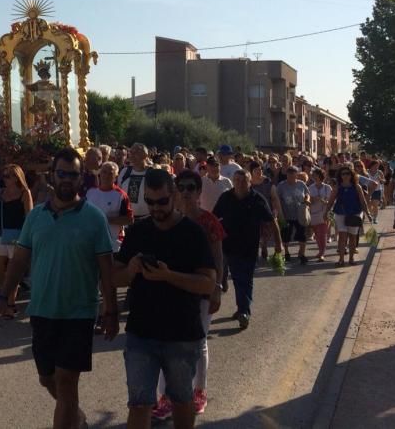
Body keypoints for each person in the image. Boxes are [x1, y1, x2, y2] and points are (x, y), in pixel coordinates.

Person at [0, 148, 119, 429]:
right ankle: (76, 416)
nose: (66, 180)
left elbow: (106, 269)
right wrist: (4, 296)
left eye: (73, 175)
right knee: (47, 378)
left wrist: (110, 310)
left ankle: (69, 414)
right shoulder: (36, 216)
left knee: (66, 381)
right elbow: (19, 261)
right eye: (61, 173)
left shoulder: (94, 218)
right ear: (52, 176)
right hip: (42, 310)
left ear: (81, 178)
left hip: (79, 312)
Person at [113, 169, 217, 429]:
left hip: (182, 335)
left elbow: (207, 282)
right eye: (149, 202)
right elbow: (114, 278)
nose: (156, 208)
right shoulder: (138, 233)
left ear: (173, 196)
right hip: (141, 334)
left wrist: (168, 276)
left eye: (161, 201)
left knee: (182, 401)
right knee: (139, 404)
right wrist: (131, 270)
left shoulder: (192, 233)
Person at [151, 169, 225, 419]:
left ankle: (198, 392)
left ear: (198, 191)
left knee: (198, 342)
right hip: (171, 288)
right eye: (180, 187)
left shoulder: (208, 221)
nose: (185, 192)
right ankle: (165, 398)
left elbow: (217, 256)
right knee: (165, 341)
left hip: (202, 289)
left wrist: (217, 288)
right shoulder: (167, 220)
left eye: (190, 187)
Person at [213, 170, 282, 329]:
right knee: (237, 278)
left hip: (250, 246)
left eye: (243, 181)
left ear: (250, 182)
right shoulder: (225, 198)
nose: (240, 183)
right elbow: (214, 218)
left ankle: (244, 311)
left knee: (245, 279)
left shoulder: (257, 199)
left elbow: (271, 221)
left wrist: (279, 244)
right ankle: (242, 308)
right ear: (233, 181)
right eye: (237, 180)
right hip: (229, 245)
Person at [0, 164, 33, 318]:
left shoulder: (24, 193)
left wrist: (26, 237)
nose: (6, 179)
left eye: (9, 176)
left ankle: (10, 304)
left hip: (17, 235)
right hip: (0, 233)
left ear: (17, 177)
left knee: (12, 270)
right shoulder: (1, 193)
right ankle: (8, 292)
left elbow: (30, 216)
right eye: (5, 175)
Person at [84, 161, 133, 253]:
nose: (106, 176)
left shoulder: (121, 196)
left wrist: (106, 219)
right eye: (104, 172)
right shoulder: (90, 193)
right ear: (99, 174)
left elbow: (129, 219)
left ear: (116, 177)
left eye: (110, 173)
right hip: (91, 242)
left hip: (112, 244)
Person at [327, 167, 370, 265]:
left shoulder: (357, 187)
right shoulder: (337, 187)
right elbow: (331, 201)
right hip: (340, 213)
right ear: (340, 176)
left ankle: (351, 258)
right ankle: (341, 259)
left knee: (352, 237)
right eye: (343, 174)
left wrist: (368, 213)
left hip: (354, 214)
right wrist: (326, 212)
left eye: (347, 173)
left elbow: (363, 201)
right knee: (342, 237)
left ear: (351, 175)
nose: (345, 176)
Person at [276, 166, 311, 265]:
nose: (291, 176)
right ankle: (287, 252)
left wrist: (307, 200)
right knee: (286, 235)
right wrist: (278, 212)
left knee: (302, 234)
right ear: (286, 174)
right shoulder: (281, 185)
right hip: (286, 214)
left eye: (293, 174)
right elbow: (276, 198)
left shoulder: (301, 184)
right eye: (289, 174)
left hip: (300, 214)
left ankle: (302, 254)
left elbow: (307, 194)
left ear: (296, 174)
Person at [249, 162, 281, 260]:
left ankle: (264, 245)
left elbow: (274, 197)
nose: (259, 172)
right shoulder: (248, 183)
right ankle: (258, 248)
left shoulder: (267, 182)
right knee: (255, 234)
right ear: (251, 172)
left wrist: (276, 210)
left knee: (266, 233)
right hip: (253, 212)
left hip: (267, 211)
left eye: (260, 170)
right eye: (256, 170)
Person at [119, 143, 151, 220]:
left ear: (145, 155)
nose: (132, 155)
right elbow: (119, 192)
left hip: (147, 218)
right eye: (131, 152)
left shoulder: (151, 173)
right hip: (126, 219)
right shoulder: (124, 172)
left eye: (136, 152)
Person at [308, 168, 333, 261]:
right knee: (317, 234)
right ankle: (320, 250)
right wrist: (312, 199)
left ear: (320, 176)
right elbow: (308, 201)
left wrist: (324, 201)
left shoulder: (327, 187)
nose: (313, 176)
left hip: (324, 213)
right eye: (313, 175)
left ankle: (322, 253)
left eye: (315, 175)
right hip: (313, 213)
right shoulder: (310, 187)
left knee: (322, 234)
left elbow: (331, 201)